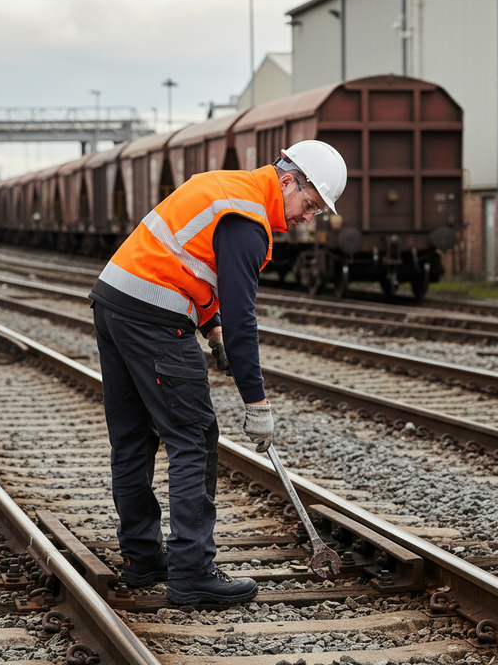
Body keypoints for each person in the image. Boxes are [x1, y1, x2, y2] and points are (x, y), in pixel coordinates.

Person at [89, 139, 347, 605]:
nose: (308, 217)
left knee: (132, 439)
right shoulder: (248, 221)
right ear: (287, 181)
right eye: (309, 204)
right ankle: (192, 573)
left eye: (317, 211)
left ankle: (141, 559)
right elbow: (243, 316)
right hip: (155, 317)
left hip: (113, 302)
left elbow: (187, 263)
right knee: (194, 437)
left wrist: (213, 332)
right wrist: (258, 404)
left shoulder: (227, 188)